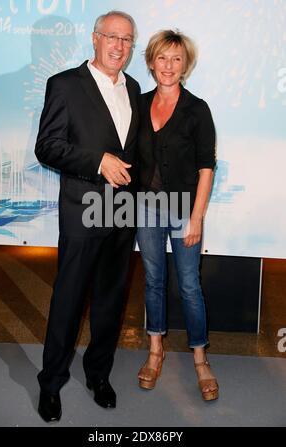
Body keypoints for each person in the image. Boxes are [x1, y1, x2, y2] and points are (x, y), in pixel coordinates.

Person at [35, 10, 140, 422]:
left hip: (123, 212)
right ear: (95, 39)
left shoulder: (133, 88)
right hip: (82, 210)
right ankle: (51, 383)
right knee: (68, 300)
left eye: (128, 39)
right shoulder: (63, 84)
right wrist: (97, 161)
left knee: (111, 302)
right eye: (112, 37)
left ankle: (98, 375)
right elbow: (48, 146)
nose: (119, 45)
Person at [136, 30, 218, 401]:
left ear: (186, 65)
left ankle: (200, 357)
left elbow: (206, 167)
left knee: (188, 285)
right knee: (153, 281)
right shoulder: (136, 104)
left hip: (185, 212)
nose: (168, 66)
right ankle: (156, 351)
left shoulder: (197, 109)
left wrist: (197, 217)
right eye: (162, 58)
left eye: (176, 59)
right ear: (151, 61)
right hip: (144, 211)